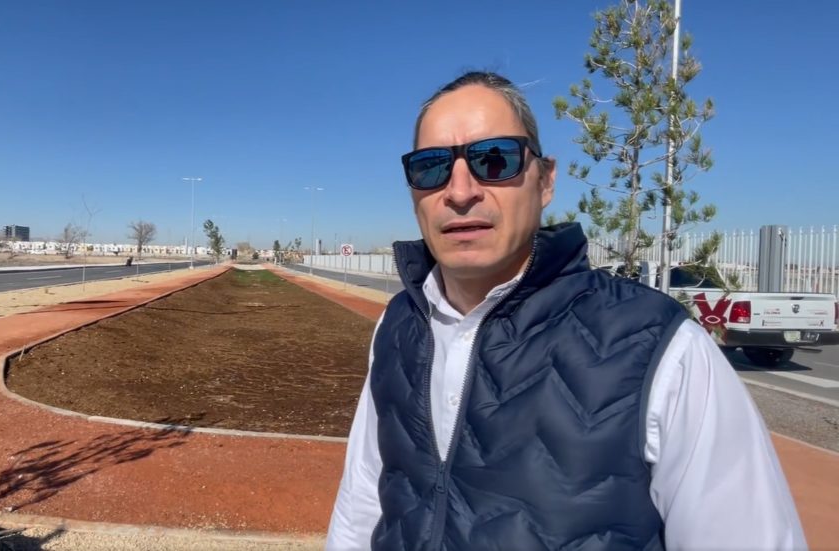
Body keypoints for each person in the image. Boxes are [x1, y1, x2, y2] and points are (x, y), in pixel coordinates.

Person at [326, 71, 806, 550]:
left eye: (495, 159)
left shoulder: (662, 349)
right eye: (431, 167)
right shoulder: (399, 325)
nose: (459, 190)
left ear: (545, 180)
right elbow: (363, 500)